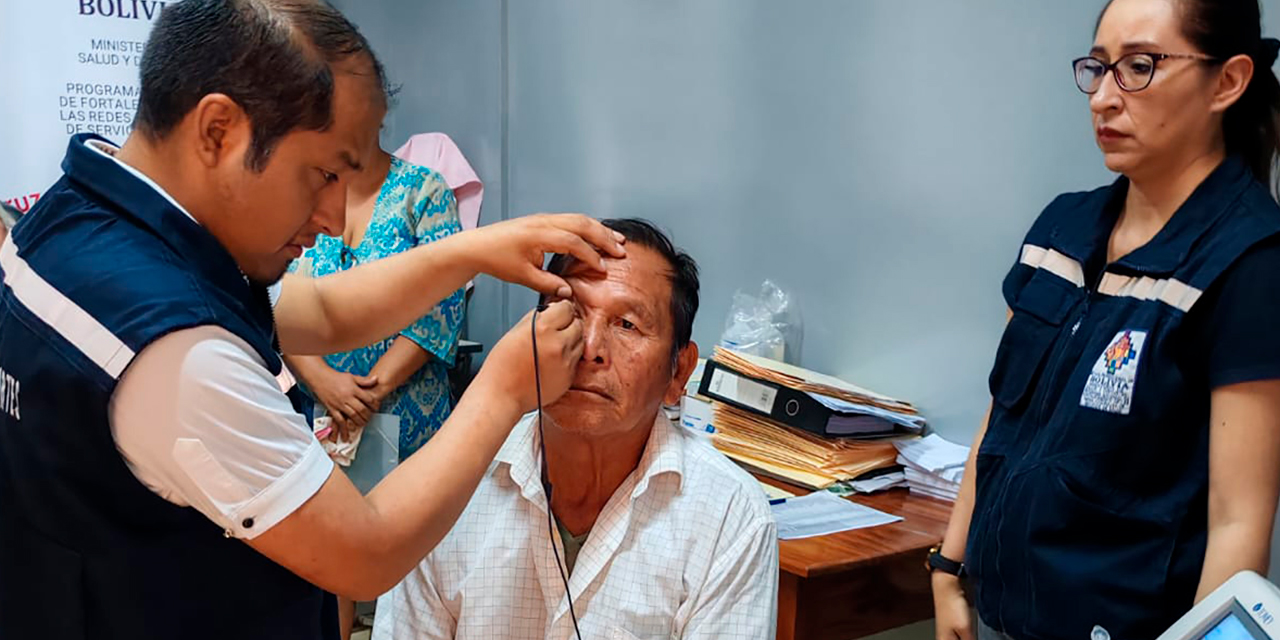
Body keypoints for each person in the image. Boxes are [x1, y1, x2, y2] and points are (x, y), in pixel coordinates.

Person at [0, 1, 627, 639]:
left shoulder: (76, 218)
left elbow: (323, 312)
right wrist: (506, 387)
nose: (332, 216)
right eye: (324, 174)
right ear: (218, 131)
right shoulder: (175, 351)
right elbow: (367, 551)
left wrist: (470, 250)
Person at [932, 2, 1280, 640]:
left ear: (1227, 82)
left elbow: (1238, 523)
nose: (1102, 99)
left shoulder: (1250, 262)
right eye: (1098, 68)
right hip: (998, 618)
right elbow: (1000, 418)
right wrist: (948, 568)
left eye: (1139, 67)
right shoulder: (1061, 230)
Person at [372, 219, 779, 640]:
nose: (589, 349)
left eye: (627, 325)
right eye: (572, 314)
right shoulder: (452, 483)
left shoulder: (730, 514)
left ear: (679, 372)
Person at [284, 139, 468, 640]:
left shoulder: (423, 192)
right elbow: (278, 300)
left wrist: (367, 392)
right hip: (324, 418)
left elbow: (442, 305)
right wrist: (324, 382)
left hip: (413, 417)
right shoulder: (300, 194)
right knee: (327, 560)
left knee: (418, 567)